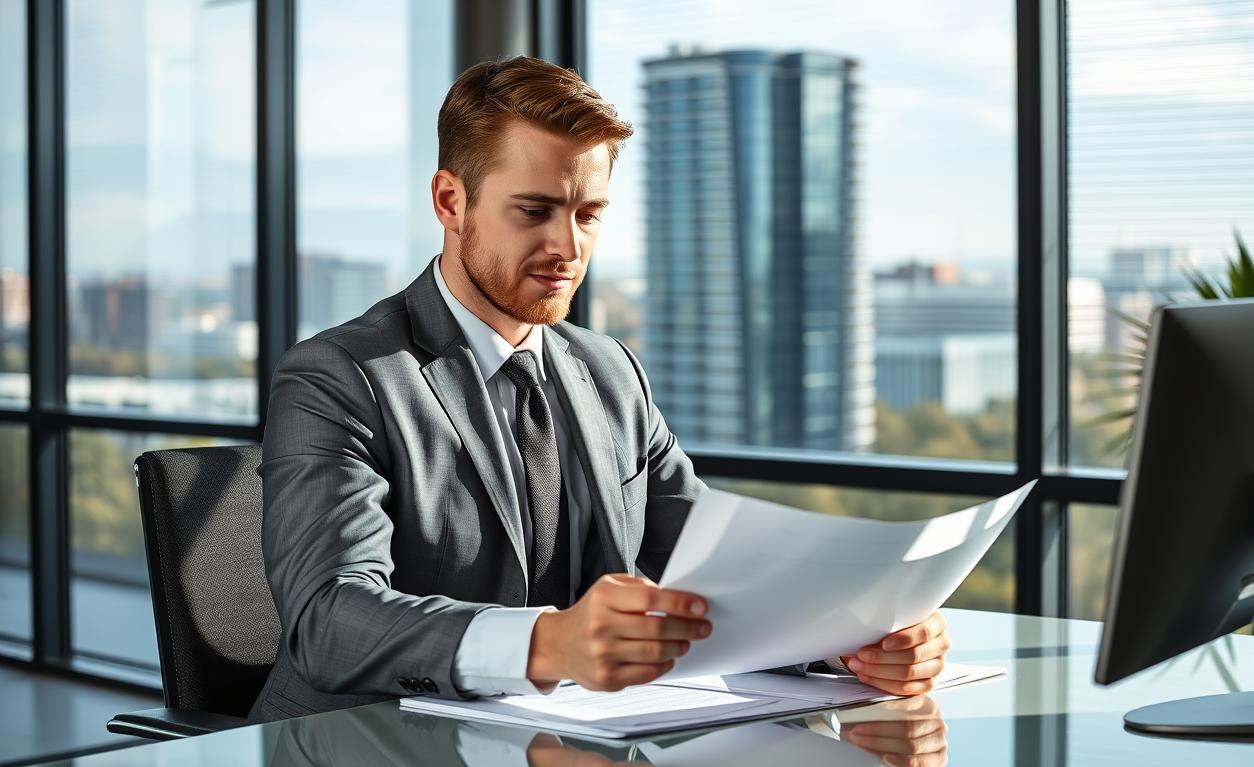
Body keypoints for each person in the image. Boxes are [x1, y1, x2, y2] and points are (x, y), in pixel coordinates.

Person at [249, 56, 950, 722]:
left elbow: (712, 568)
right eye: (534, 211)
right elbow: (327, 619)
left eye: (588, 215)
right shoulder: (341, 376)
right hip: (372, 744)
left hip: (563, 742)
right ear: (450, 201)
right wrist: (549, 644)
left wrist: (848, 635)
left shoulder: (611, 371)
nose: (569, 246)